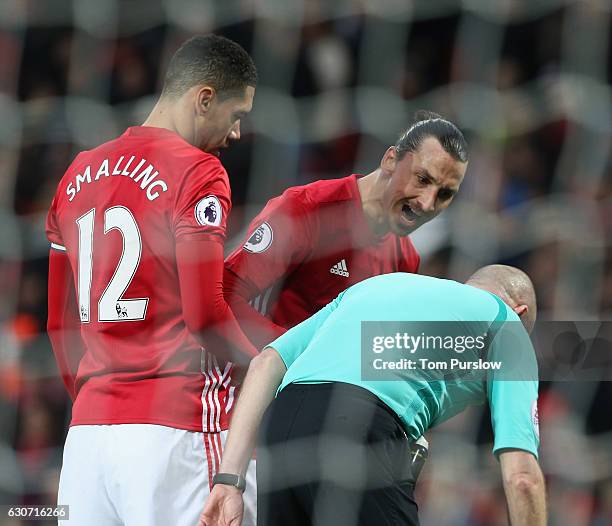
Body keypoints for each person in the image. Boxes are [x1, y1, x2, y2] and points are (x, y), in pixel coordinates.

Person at [46, 35, 259, 526]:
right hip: (174, 431)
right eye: (237, 114)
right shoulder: (200, 171)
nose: (237, 134)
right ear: (204, 98)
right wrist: (263, 363)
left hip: (87, 444)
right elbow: (205, 316)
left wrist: (98, 397)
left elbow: (60, 331)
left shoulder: (76, 174)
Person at [200, 265, 546, 526]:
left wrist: (229, 482)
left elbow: (266, 363)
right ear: (521, 313)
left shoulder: (375, 286)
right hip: (358, 425)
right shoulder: (508, 326)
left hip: (279, 427)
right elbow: (522, 477)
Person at [224, 111, 469, 350]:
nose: (427, 203)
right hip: (246, 379)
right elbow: (226, 294)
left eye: (445, 194)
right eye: (422, 179)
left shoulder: (405, 260)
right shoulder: (306, 210)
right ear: (390, 161)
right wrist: (293, 358)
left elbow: (367, 351)